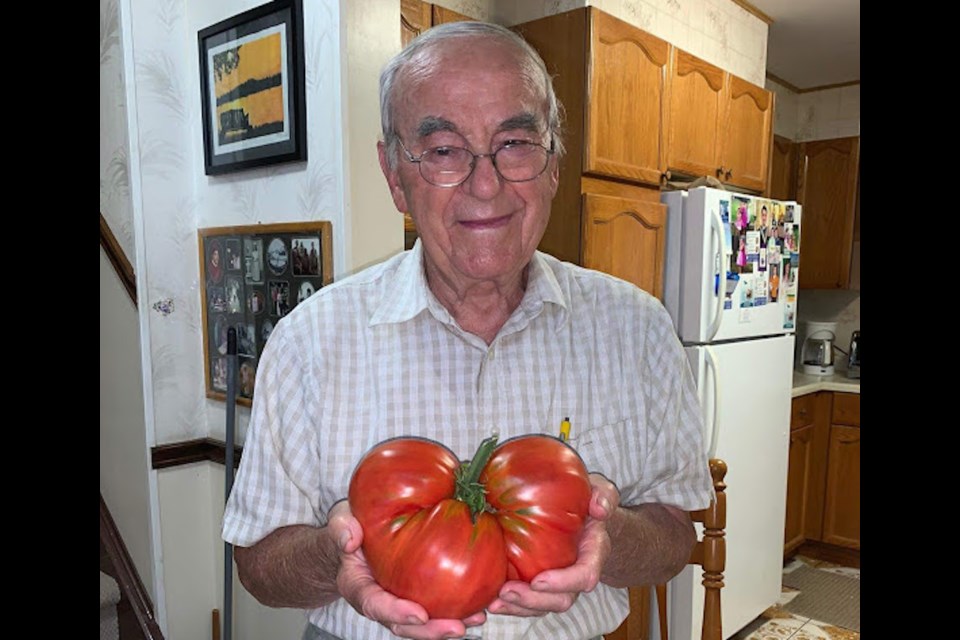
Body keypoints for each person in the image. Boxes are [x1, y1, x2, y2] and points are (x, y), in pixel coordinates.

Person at [222, 21, 713, 640]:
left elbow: (674, 533)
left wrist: (605, 538)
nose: (487, 185)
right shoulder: (308, 343)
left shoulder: (637, 329)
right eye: (444, 150)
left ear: (554, 163)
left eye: (515, 142)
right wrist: (338, 555)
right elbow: (257, 562)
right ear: (395, 176)